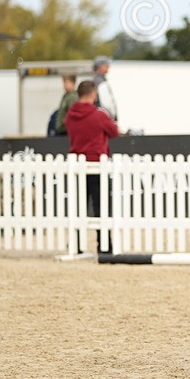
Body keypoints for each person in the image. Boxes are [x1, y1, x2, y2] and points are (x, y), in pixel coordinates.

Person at [65, 80, 120, 255]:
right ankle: (103, 245)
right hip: (97, 165)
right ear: (92, 94)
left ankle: (77, 245)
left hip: (77, 166)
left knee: (78, 207)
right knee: (100, 207)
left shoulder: (70, 115)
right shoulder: (99, 115)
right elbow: (114, 132)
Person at [92, 57, 118, 121]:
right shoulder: (99, 81)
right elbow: (106, 103)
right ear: (100, 66)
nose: (108, 66)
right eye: (106, 64)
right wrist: (112, 116)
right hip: (103, 117)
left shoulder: (99, 79)